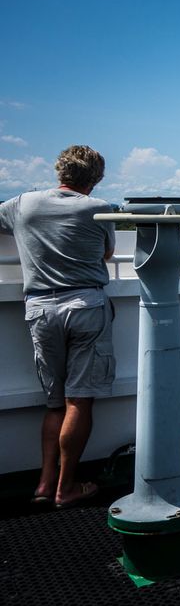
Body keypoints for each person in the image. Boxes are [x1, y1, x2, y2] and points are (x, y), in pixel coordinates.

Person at [0, 145, 116, 508]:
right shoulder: (99, 210)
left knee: (54, 405)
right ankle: (67, 487)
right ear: (95, 179)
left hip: (40, 308)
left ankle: (43, 484)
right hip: (84, 304)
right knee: (78, 401)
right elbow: (107, 253)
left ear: (59, 171)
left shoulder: (23, 205)